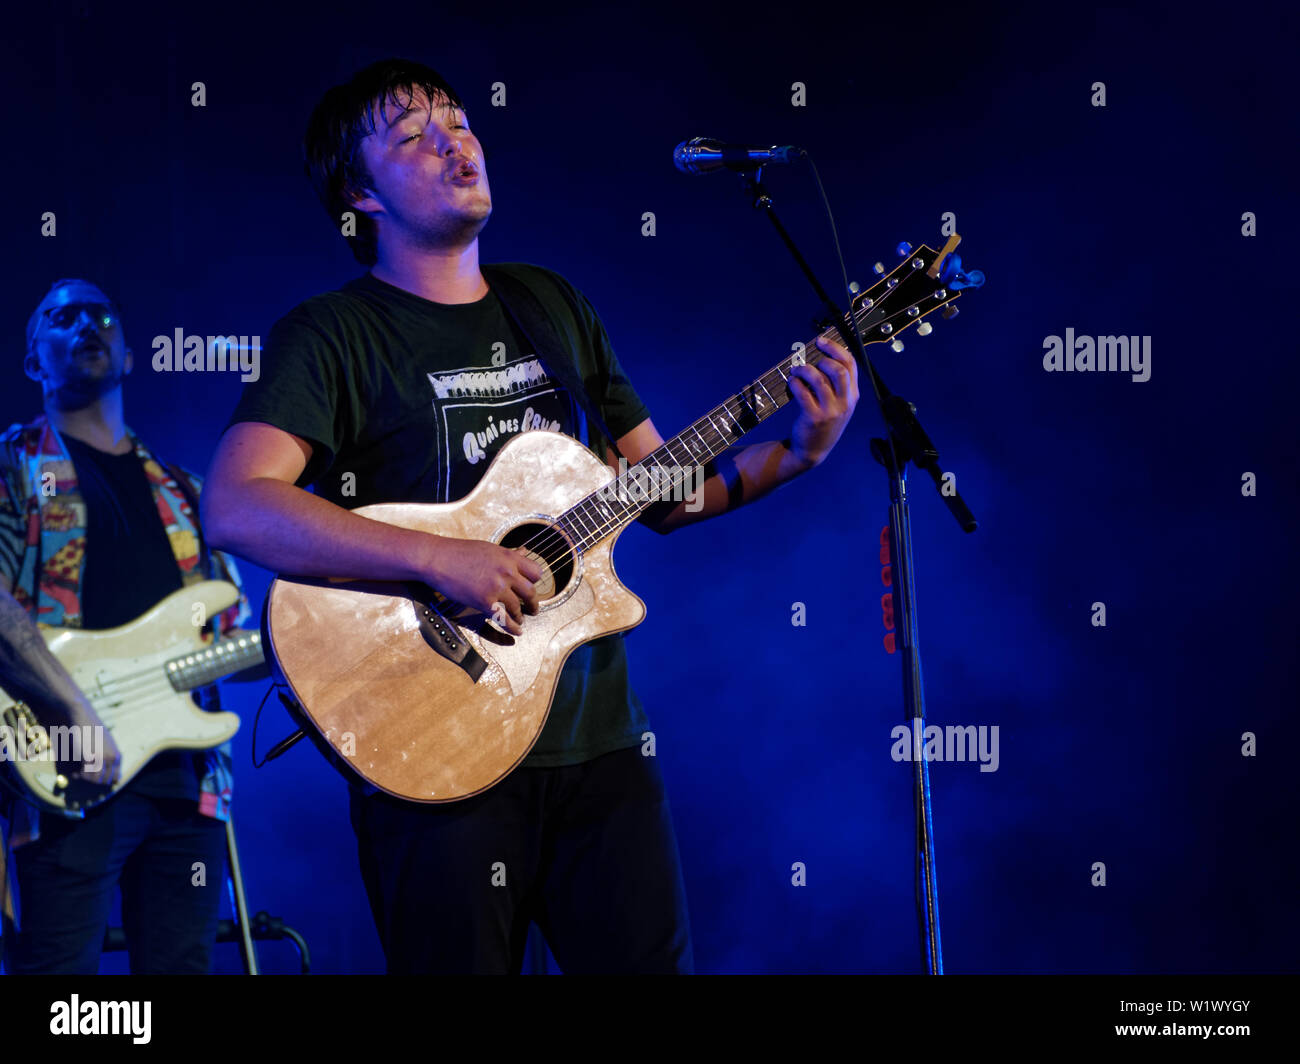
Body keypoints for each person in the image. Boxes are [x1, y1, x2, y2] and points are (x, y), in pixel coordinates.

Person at [201, 58, 859, 974]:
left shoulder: (550, 305)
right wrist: (444, 560)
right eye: (413, 135)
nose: (455, 140)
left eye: (460, 120)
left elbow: (663, 492)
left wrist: (801, 452)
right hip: (429, 747)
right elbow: (235, 506)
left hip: (600, 745)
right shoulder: (333, 335)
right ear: (361, 194)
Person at [0, 278, 248, 974]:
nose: (86, 324)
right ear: (32, 362)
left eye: (102, 313)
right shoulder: (14, 466)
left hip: (189, 787)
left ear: (130, 354)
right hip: (62, 769)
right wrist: (73, 714)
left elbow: (240, 635)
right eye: (61, 316)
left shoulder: (186, 490)